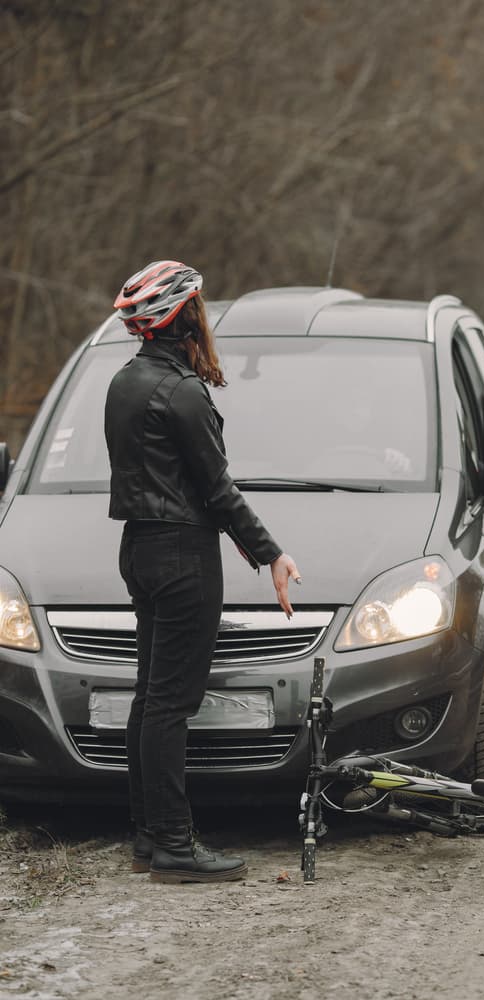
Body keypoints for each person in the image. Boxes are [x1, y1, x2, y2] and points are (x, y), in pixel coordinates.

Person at [104, 260, 301, 884]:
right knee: (171, 703)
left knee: (149, 695)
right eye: (200, 306)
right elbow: (218, 492)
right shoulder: (184, 393)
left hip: (138, 550)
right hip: (184, 555)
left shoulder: (124, 381)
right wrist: (271, 553)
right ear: (184, 314)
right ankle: (173, 847)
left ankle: (146, 835)